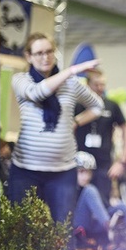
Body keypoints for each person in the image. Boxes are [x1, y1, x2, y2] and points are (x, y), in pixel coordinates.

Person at [9, 33, 103, 223]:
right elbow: (37, 93)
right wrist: (71, 71)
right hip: (25, 170)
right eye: (39, 53)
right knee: (20, 230)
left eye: (50, 51)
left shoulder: (71, 84)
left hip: (63, 171)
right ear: (29, 56)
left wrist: (75, 122)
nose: (45, 57)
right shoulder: (21, 80)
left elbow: (97, 106)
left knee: (62, 230)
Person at [74, 70, 126, 205]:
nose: (100, 88)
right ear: (88, 85)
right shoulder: (77, 105)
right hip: (80, 165)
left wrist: (121, 162)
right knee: (77, 202)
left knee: (102, 203)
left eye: (103, 84)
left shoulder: (111, 105)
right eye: (96, 85)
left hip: (103, 165)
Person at [73, 151, 126, 243]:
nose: (86, 176)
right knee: (90, 190)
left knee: (121, 206)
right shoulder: (69, 188)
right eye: (81, 172)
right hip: (77, 226)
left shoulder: (91, 185)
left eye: (88, 172)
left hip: (93, 223)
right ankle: (111, 228)